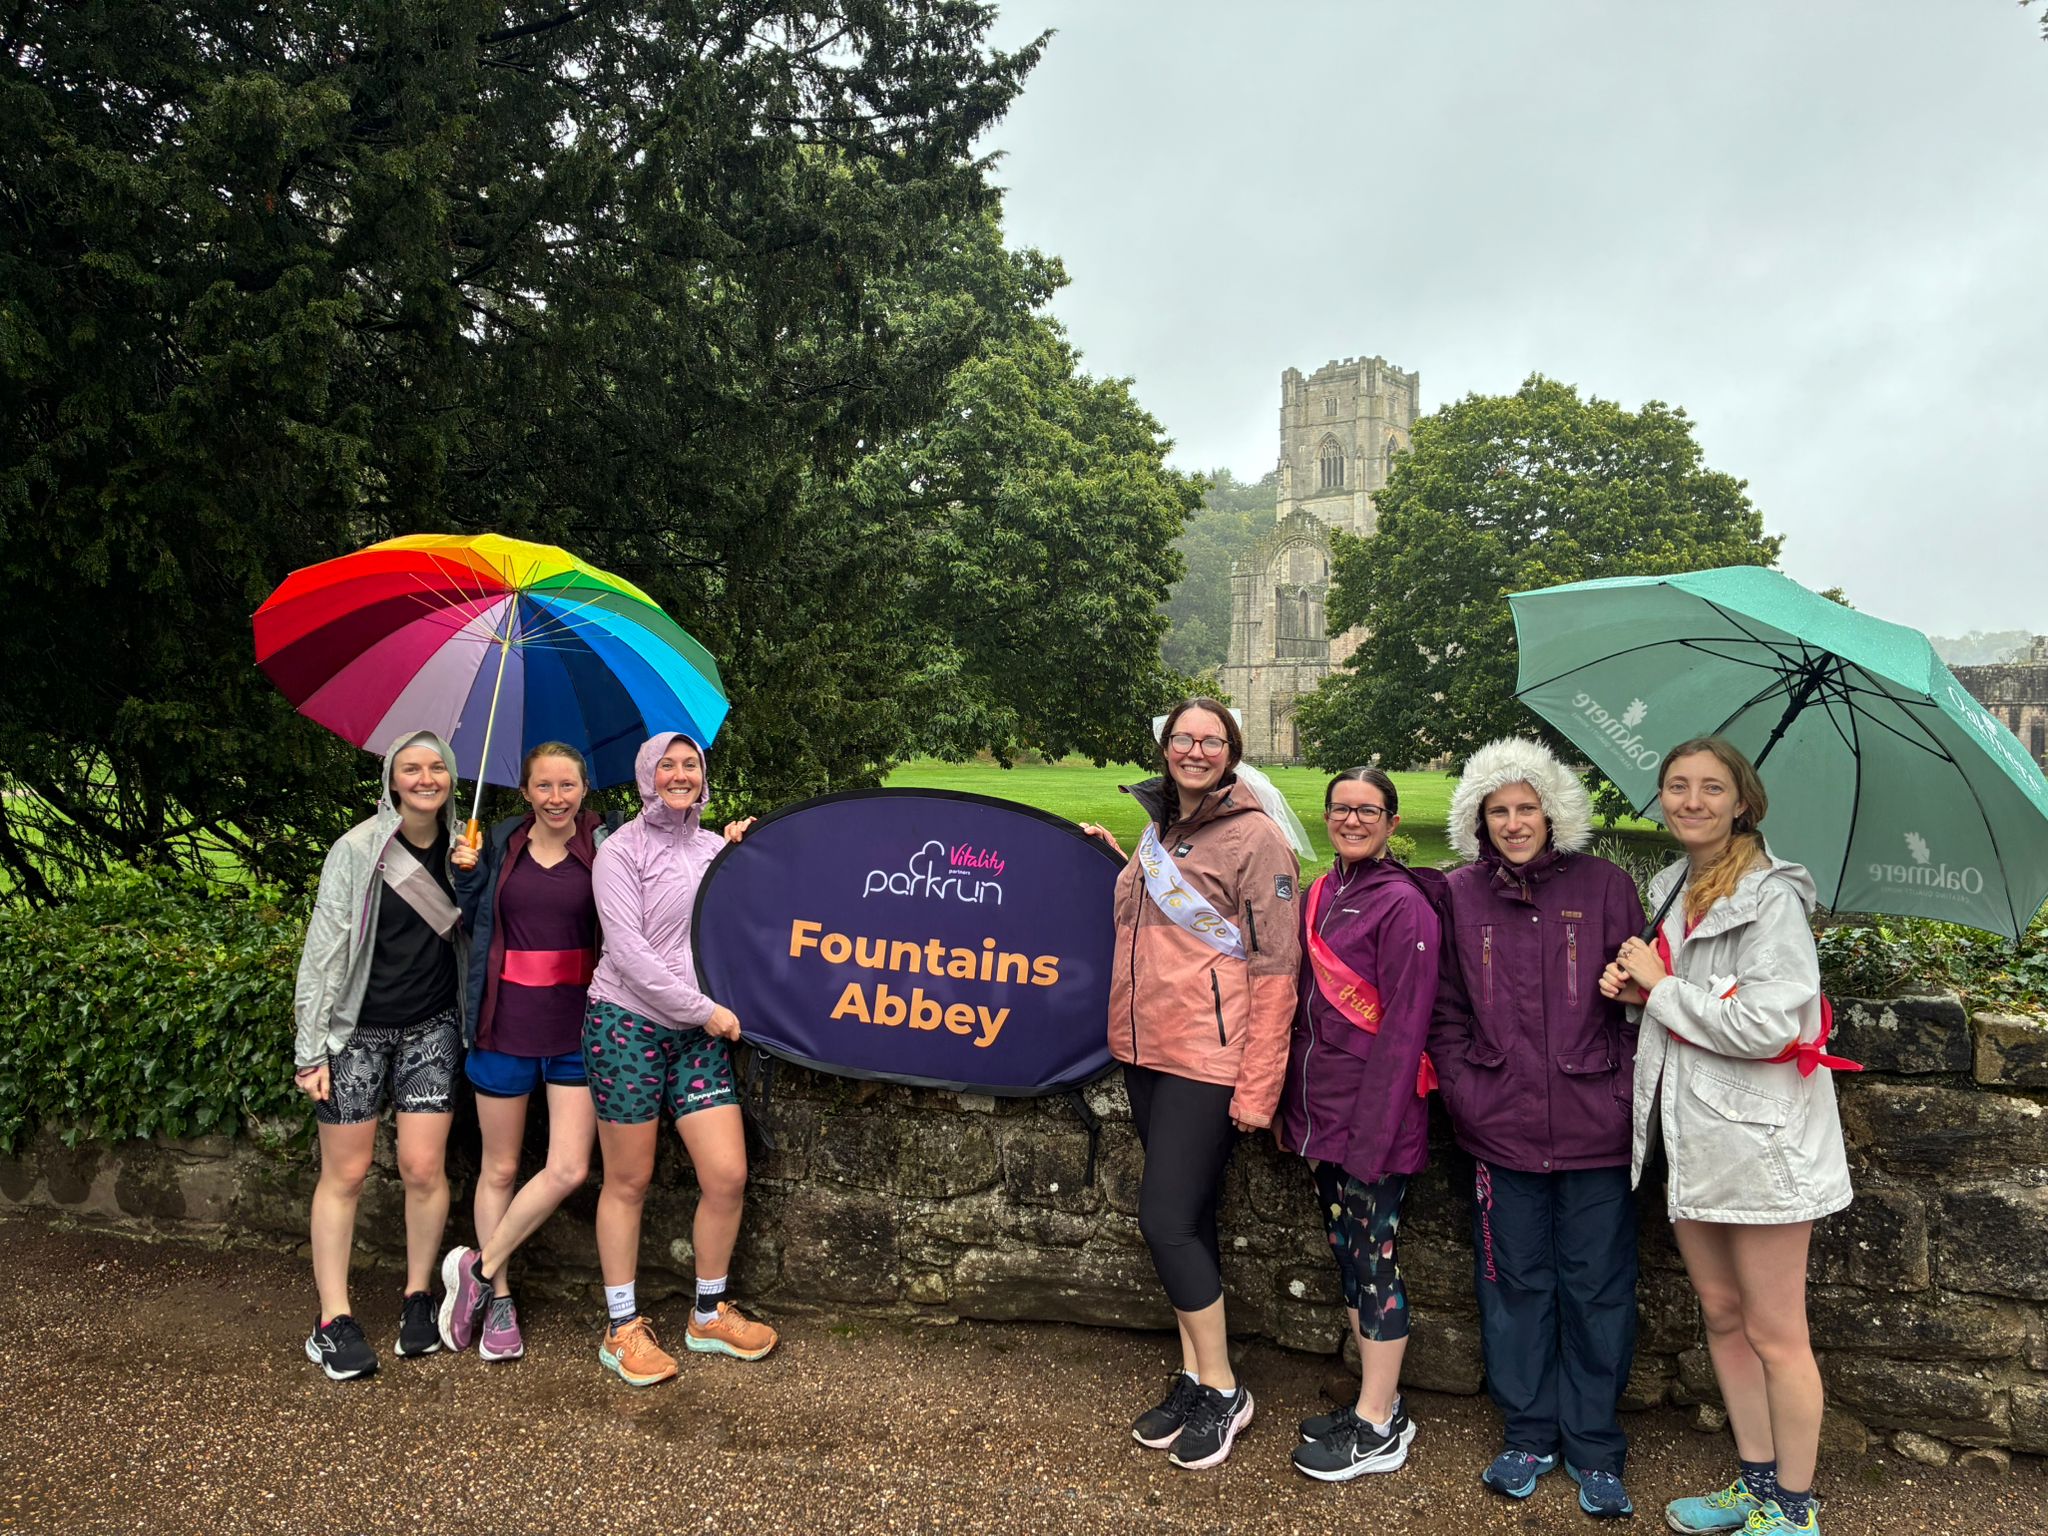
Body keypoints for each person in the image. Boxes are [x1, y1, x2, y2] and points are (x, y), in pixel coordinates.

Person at [1603, 737, 1854, 1536]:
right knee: (1719, 1313)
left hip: (1762, 1144)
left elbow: (1771, 1023)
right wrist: (1636, 996)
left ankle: (1796, 1509)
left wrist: (1661, 988)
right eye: (1677, 785)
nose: (1692, 801)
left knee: (1777, 1333)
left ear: (1743, 802)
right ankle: (1755, 1482)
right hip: (1695, 1140)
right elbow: (1681, 1013)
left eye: (1712, 788)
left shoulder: (1771, 899)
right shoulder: (1672, 887)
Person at [1081, 698, 1303, 1471]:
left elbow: (1276, 969)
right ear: (1166, 748)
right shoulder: (1163, 831)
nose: (1196, 750)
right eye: (1184, 738)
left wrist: (1259, 1087)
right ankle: (1193, 1375)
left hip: (1208, 1059)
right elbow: (1162, 927)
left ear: (1232, 753)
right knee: (1192, 1221)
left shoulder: (1258, 839)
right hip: (1147, 1051)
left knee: (1165, 1222)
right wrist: (1118, 857)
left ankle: (1225, 1389)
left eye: (1212, 740)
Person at [1429, 737, 1647, 1519]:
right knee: (1514, 1284)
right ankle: (1528, 1433)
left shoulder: (1606, 886)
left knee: (1598, 1289)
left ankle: (1594, 1445)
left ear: (1552, 813)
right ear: (1478, 819)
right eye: (1499, 810)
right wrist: (1465, 1089)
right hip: (1501, 1126)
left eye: (1527, 807)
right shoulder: (1458, 895)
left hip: (1596, 1128)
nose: (1515, 822)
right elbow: (1445, 1007)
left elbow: (1643, 1009)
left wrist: (1623, 1091)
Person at [583, 731, 775, 1386]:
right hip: (626, 1026)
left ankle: (708, 1314)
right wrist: (704, 1010)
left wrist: (748, 851)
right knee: (628, 1180)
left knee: (727, 1175)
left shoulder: (715, 849)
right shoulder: (619, 851)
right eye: (666, 765)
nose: (679, 774)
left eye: (690, 764)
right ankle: (621, 1329)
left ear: (703, 777)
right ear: (647, 776)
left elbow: (751, 916)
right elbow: (630, 955)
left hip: (695, 1036)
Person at [1276, 768, 1443, 1482]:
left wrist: (1374, 1138)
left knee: (1374, 1263)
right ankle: (1379, 1404)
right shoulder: (1323, 891)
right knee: (1349, 1256)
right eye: (1341, 808)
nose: (1351, 820)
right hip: (1324, 1116)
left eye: (1367, 810)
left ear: (1392, 823)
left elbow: (1405, 1030)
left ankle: (1378, 1429)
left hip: (1376, 1121)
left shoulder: (1404, 905)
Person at [293, 730, 470, 1381]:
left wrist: (473, 878)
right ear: (392, 780)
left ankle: (418, 1295)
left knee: (424, 1168)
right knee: (346, 1172)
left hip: (433, 1029)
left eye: (437, 768)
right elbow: (323, 951)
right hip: (356, 1035)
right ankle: (332, 1320)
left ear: (451, 778)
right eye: (411, 768)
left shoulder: (466, 851)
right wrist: (310, 1050)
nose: (425, 779)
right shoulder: (357, 849)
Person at [436, 742, 605, 1362]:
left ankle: (476, 1271)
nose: (556, 798)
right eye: (543, 786)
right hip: (503, 1025)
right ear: (526, 791)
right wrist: (465, 875)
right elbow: (470, 920)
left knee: (570, 1168)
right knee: (500, 1169)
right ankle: (500, 1297)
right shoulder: (500, 841)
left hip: (575, 1031)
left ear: (584, 789)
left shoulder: (605, 844)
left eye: (567, 785)